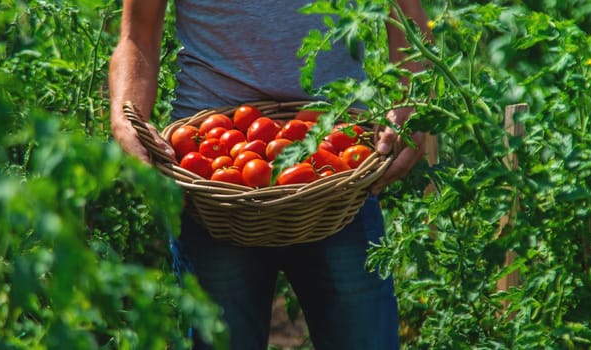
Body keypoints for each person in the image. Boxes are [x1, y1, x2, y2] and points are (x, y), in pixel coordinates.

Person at [109, 1, 433, 348]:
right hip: (211, 183)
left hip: (339, 174)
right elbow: (136, 35)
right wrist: (125, 116)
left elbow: (406, 10)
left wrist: (413, 104)